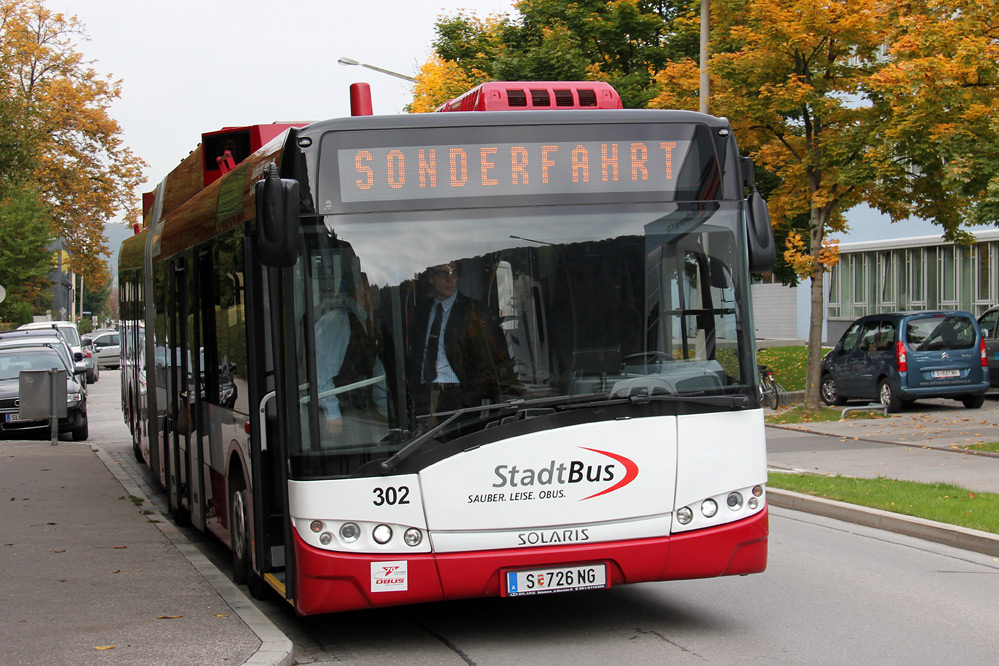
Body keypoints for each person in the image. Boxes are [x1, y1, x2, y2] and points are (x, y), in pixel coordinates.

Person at [408, 261, 514, 424]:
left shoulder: (475, 311)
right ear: (430, 278)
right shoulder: (420, 311)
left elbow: (487, 361)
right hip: (424, 397)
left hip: (458, 399)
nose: (450, 279)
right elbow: (415, 354)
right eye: (443, 273)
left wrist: (468, 399)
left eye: (454, 273)